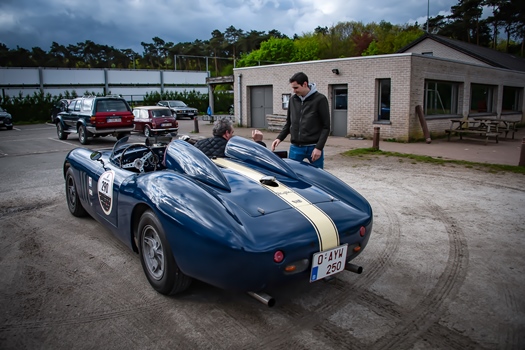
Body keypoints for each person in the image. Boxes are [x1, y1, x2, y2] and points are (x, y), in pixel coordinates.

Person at [271, 72, 330, 168]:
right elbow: (289, 123)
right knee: (293, 175)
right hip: (295, 148)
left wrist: (319, 147)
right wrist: (279, 138)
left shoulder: (320, 99)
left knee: (318, 178)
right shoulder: (293, 100)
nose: (294, 91)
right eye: (293, 88)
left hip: (313, 147)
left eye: (296, 88)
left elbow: (326, 126)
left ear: (305, 84)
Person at [193, 118, 266, 157]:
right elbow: (254, 157)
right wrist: (258, 142)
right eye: (232, 132)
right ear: (227, 133)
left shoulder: (199, 144)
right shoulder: (232, 148)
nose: (233, 135)